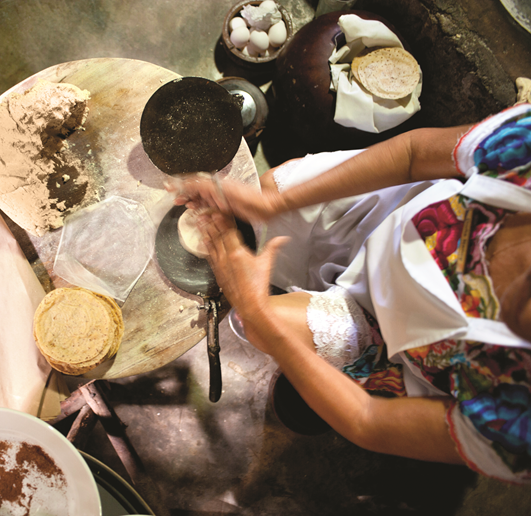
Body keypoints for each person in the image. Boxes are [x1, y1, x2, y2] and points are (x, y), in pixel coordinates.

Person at [166, 103, 531, 483]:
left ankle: (311, 385)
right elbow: (412, 156)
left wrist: (257, 311)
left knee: (263, 327)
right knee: (267, 192)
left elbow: (368, 420)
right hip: (398, 212)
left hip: (390, 342)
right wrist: (276, 203)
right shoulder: (524, 152)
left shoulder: (520, 427)